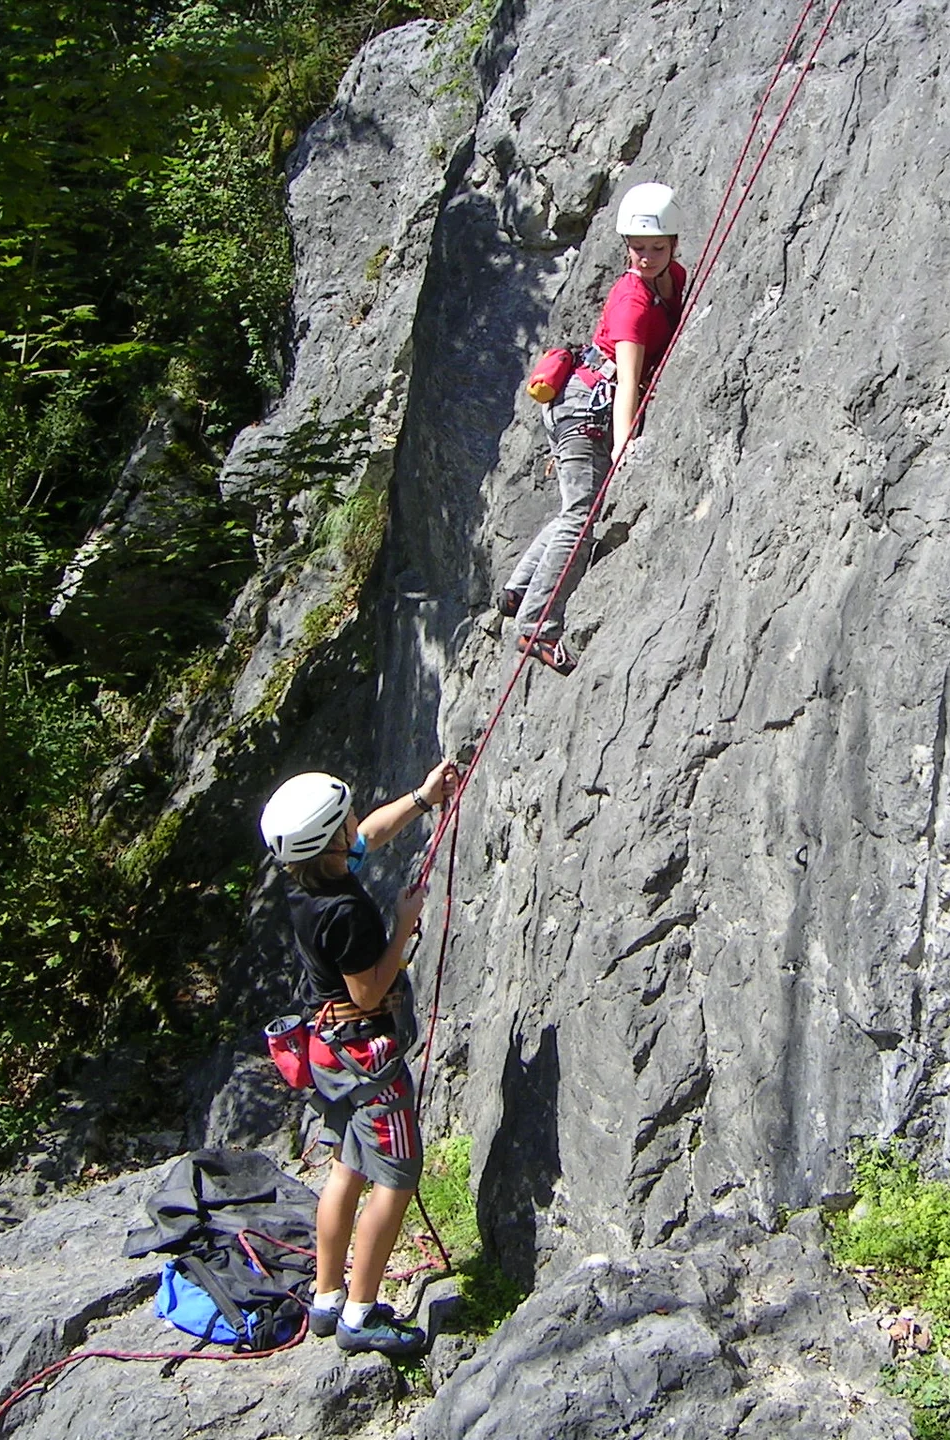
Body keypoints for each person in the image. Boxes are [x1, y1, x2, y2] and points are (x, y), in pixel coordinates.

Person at [257, 759, 455, 1356]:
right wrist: (403, 926)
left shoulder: (309, 884)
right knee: (395, 1177)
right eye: (345, 818)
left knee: (347, 1166)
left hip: (328, 1058)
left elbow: (369, 833)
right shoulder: (348, 912)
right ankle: (361, 1314)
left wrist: (422, 797)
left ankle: (326, 1298)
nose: (355, 823)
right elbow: (368, 992)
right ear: (330, 838)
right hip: (367, 1061)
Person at [501, 181, 688, 674]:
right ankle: (536, 626)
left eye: (656, 248)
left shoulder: (673, 278)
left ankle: (519, 587)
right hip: (586, 406)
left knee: (576, 506)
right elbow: (627, 380)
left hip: (584, 400)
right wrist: (626, 445)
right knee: (583, 515)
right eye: (637, 248)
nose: (645, 258)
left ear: (673, 245)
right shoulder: (633, 301)